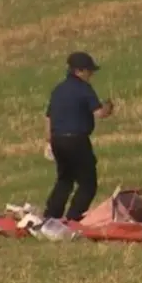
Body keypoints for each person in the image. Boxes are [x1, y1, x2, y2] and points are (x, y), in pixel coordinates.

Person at [43, 51, 114, 221]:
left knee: (65, 180)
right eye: (89, 71)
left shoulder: (58, 90)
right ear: (79, 71)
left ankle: (51, 216)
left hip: (57, 140)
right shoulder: (84, 89)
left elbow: (48, 117)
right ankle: (73, 219)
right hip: (77, 141)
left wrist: (49, 141)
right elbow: (99, 113)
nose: (91, 75)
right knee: (88, 183)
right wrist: (108, 107)